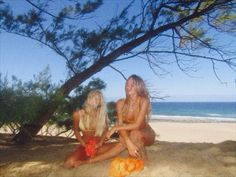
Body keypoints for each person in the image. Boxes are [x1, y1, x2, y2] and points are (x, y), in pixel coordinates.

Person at [78, 74, 156, 166]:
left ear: (138, 87)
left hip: (146, 133)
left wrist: (115, 128)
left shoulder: (143, 101)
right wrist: (127, 141)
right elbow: (121, 125)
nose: (128, 86)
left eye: (132, 84)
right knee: (122, 143)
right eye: (127, 83)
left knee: (134, 134)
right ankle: (88, 161)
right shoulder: (120, 103)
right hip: (130, 132)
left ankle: (142, 159)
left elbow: (137, 125)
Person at [64, 90, 110, 168]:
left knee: (120, 145)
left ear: (100, 102)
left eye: (98, 99)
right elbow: (75, 130)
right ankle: (89, 156)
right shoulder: (78, 114)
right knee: (69, 163)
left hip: (99, 145)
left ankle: (89, 160)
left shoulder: (102, 114)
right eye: (93, 98)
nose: (95, 100)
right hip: (85, 145)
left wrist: (101, 142)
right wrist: (83, 144)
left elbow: (106, 128)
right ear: (88, 99)